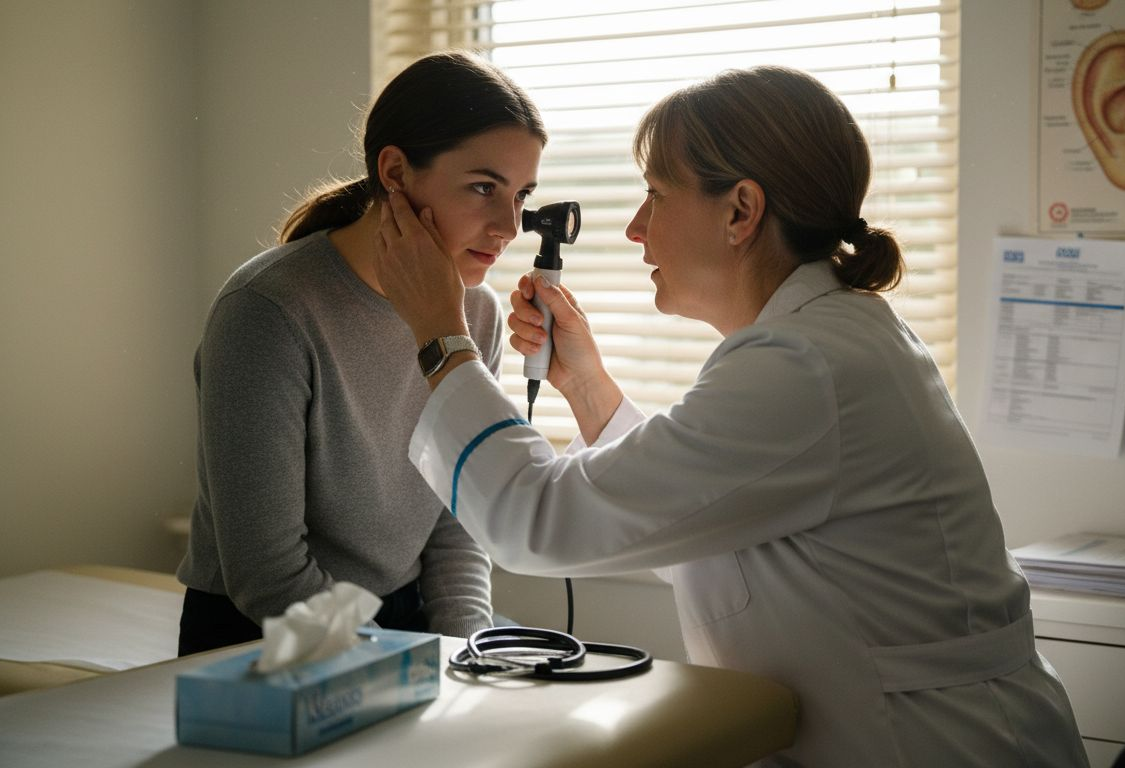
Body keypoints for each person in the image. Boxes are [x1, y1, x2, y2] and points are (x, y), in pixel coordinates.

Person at [374, 66, 1087, 766]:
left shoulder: (803, 367)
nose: (634, 228)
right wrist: (587, 387)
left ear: (741, 211)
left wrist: (441, 336)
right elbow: (697, 519)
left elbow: (535, 522)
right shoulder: (832, 337)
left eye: (656, 195)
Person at [175, 52, 546, 656]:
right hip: (264, 634)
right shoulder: (268, 311)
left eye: (522, 194)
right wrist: (393, 663)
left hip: (403, 621)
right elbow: (266, 573)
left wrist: (470, 650)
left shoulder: (473, 313)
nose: (509, 225)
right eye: (483, 187)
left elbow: (457, 524)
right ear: (395, 172)